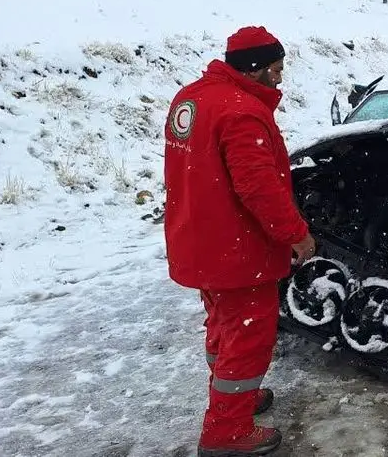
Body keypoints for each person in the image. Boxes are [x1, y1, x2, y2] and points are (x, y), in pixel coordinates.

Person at [164, 26, 315, 457]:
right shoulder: (241, 112)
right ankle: (225, 431)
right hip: (236, 248)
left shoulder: (191, 98)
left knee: (223, 326)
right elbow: (259, 188)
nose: (280, 79)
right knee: (249, 336)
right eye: (277, 69)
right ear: (259, 69)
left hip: (197, 238)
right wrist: (296, 235)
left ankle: (235, 397)